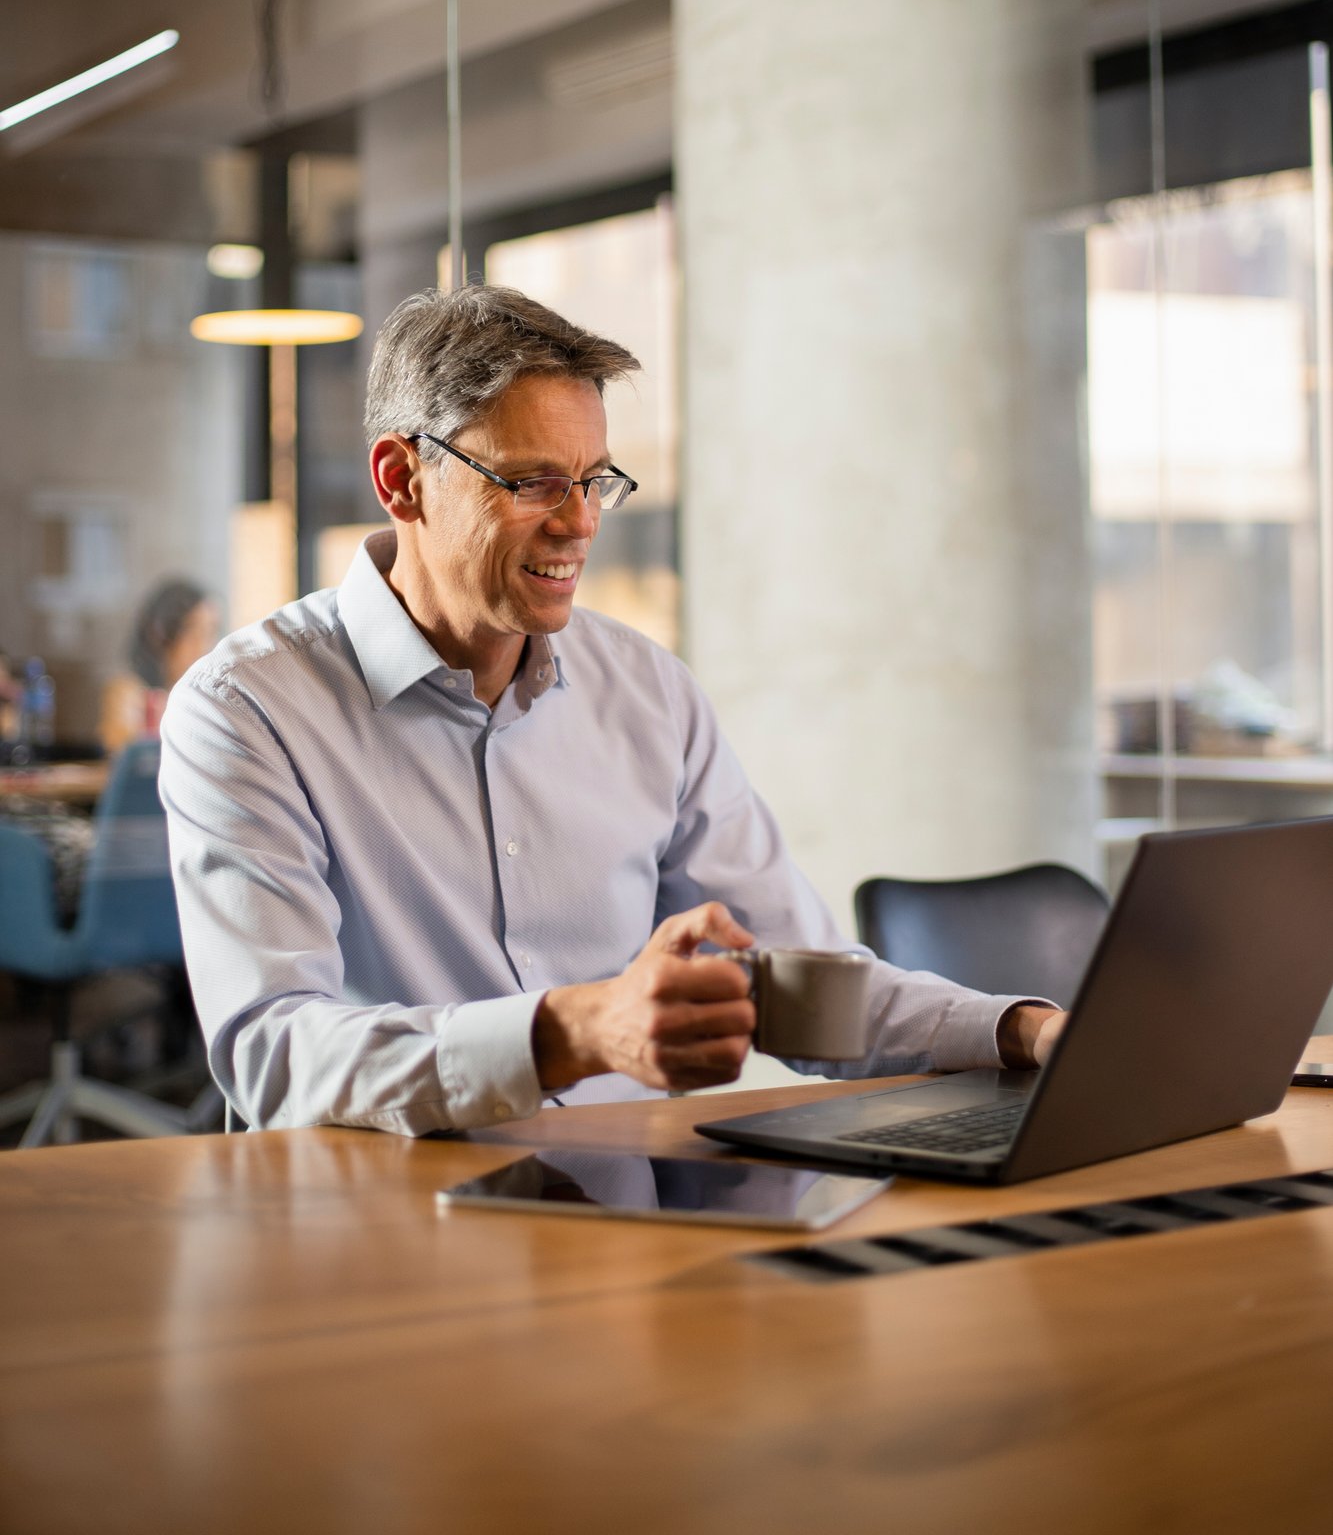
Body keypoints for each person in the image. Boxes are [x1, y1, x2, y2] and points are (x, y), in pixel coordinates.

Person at [160, 286, 1063, 1133]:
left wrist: (1024, 1032)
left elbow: (801, 989)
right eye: (533, 483)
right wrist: (572, 1033)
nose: (580, 521)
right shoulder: (247, 709)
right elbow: (274, 1052)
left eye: (595, 480)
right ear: (402, 480)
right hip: (393, 1247)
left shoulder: (649, 693)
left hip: (636, 1228)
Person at [101, 579, 221, 754]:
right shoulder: (128, 691)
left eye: (210, 632)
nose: (203, 645)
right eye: (193, 631)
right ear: (160, 634)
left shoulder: (211, 695)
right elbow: (121, 752)